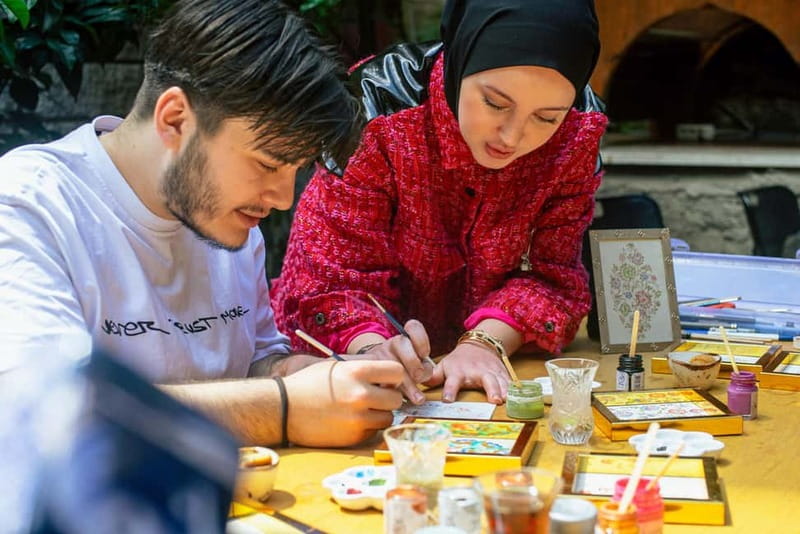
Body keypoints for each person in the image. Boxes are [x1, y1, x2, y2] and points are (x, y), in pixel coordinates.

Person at [0, 0, 405, 448]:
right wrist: (283, 407)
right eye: (267, 164)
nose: (283, 199)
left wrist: (307, 374)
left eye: (295, 170)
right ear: (175, 119)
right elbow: (49, 413)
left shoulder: (230, 218)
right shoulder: (27, 204)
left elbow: (254, 361)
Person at [271, 0, 608, 405]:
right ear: (461, 56)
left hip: (490, 374)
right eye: (495, 104)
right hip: (349, 372)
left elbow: (553, 276)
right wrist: (370, 349)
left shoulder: (574, 134)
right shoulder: (378, 110)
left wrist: (484, 343)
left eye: (546, 118)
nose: (512, 136)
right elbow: (331, 278)